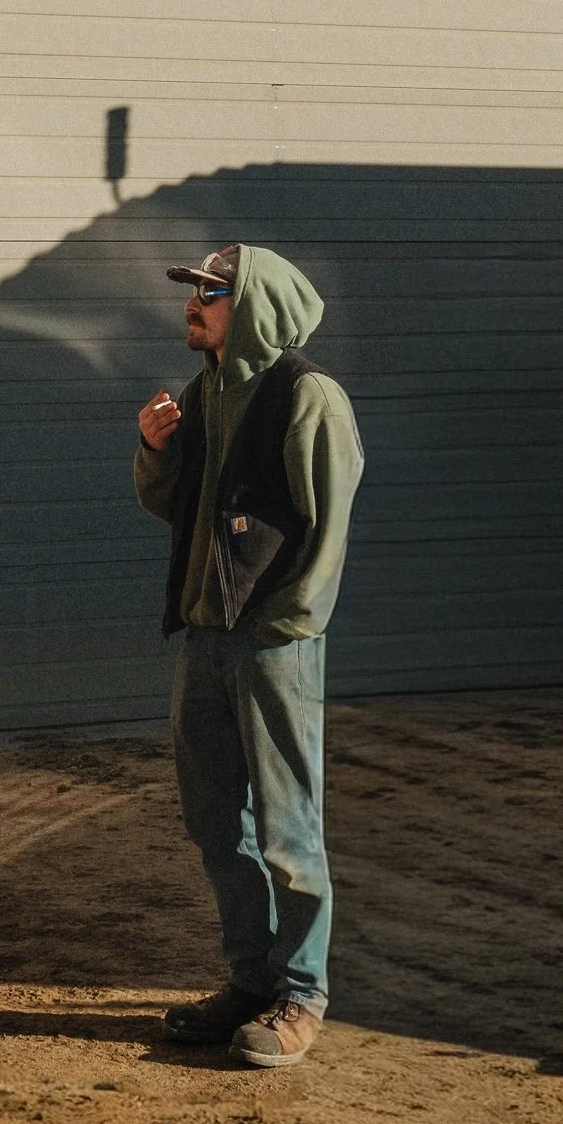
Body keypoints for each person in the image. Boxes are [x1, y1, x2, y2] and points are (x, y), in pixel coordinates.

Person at [134, 244, 363, 1069]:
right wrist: (156, 449)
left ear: (254, 303)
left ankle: (301, 995)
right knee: (211, 820)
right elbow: (176, 508)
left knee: (287, 831)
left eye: (208, 293)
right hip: (204, 637)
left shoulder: (307, 397)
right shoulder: (204, 394)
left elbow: (326, 524)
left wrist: (286, 625)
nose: (191, 305)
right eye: (192, 292)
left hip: (272, 645)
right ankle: (250, 979)